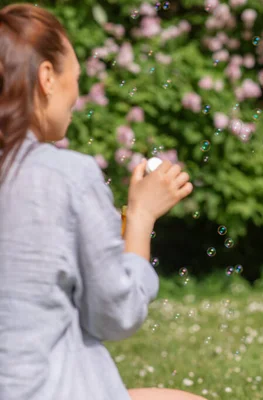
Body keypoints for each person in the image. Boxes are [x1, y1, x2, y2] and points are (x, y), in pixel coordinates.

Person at [0, 4, 205, 400]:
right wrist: (141, 216)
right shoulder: (68, 175)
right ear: (47, 78)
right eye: (74, 77)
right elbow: (116, 314)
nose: (75, 95)